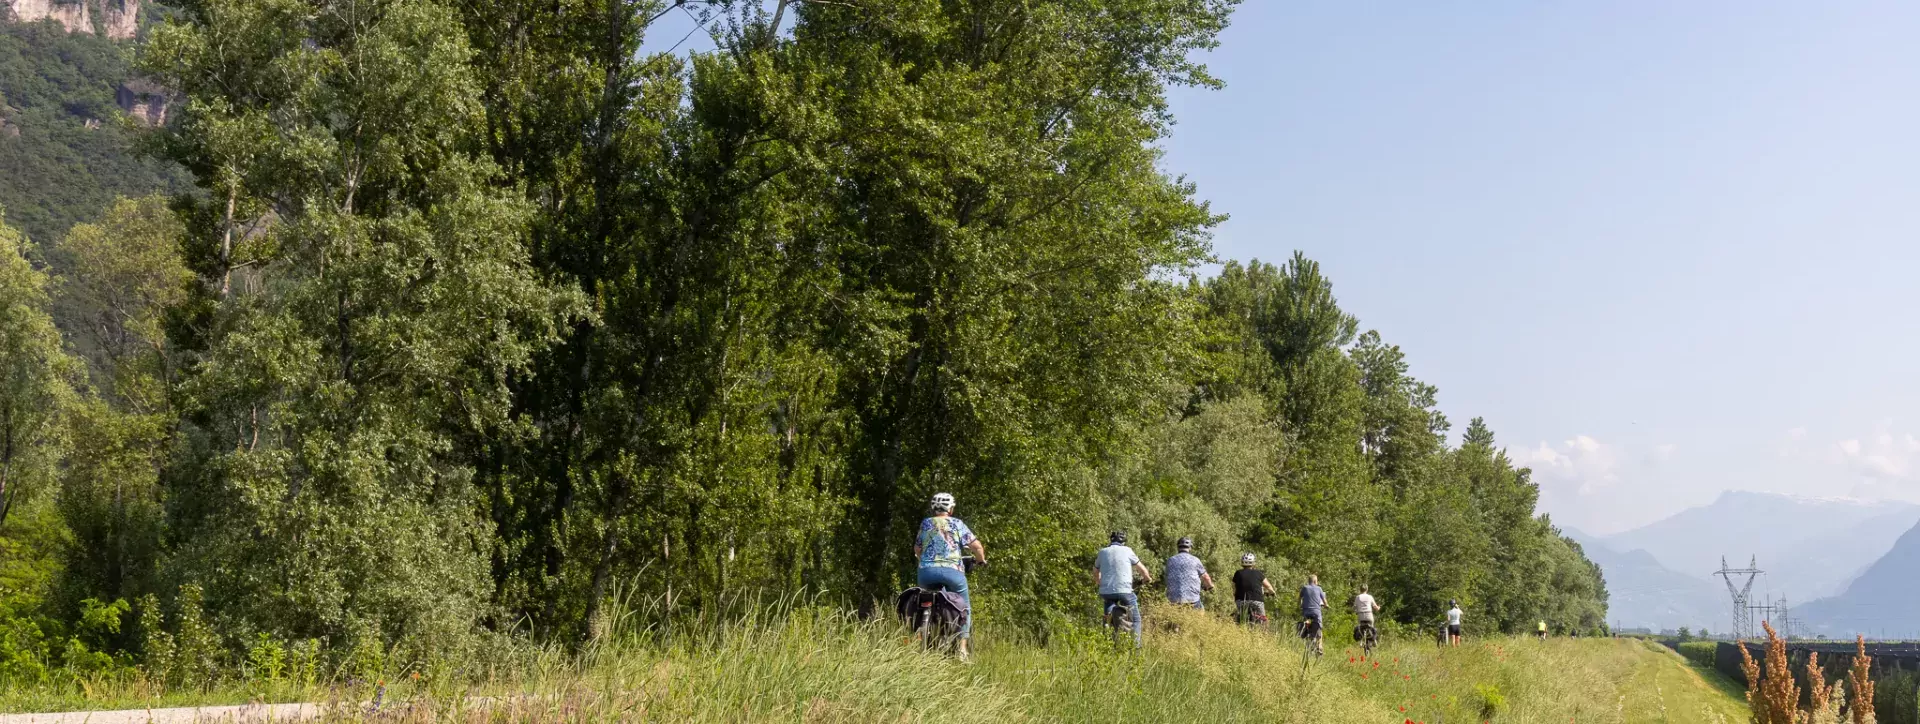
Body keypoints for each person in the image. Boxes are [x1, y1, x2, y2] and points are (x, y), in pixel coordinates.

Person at [913, 492, 987, 659]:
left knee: (923, 600)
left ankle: (920, 636)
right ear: (951, 509)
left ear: (933, 508)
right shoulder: (957, 524)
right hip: (952, 571)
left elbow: (917, 549)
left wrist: (923, 561)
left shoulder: (926, 523)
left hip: (926, 571)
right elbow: (977, 547)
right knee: (964, 607)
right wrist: (980, 560)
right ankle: (962, 649)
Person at [1095, 531, 1153, 647]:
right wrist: (1147, 578)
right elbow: (1142, 570)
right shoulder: (1127, 550)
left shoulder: (1102, 552)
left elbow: (1095, 572)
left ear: (1111, 540)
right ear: (1123, 541)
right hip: (1125, 591)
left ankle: (1108, 641)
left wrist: (1100, 583)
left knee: (1108, 615)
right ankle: (1136, 648)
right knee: (1136, 619)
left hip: (1106, 591)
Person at [1163, 537, 1214, 610]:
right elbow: (1206, 577)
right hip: (1192, 600)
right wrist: (1210, 586)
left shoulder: (1170, 560)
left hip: (1173, 600)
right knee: (1201, 609)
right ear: (1190, 548)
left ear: (1178, 548)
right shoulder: (1195, 560)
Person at [1231, 553, 1277, 624]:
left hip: (1241, 601)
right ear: (1253, 563)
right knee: (1262, 620)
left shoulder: (1238, 573)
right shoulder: (1258, 573)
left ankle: (1240, 625)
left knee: (1241, 618)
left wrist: (1235, 594)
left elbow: (1234, 587)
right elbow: (1268, 586)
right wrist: (1272, 592)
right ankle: (1263, 628)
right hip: (1257, 601)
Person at [1299, 574, 1328, 653]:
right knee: (1319, 627)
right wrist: (1326, 605)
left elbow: (1300, 598)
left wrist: (1300, 605)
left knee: (1306, 621)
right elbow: (1324, 600)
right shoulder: (1319, 588)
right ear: (1315, 581)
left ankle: (1306, 631)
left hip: (1306, 612)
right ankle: (1320, 646)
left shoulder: (1304, 588)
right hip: (1316, 612)